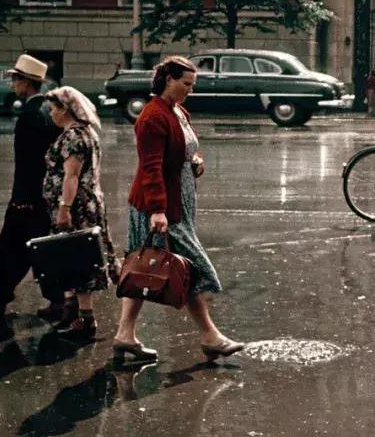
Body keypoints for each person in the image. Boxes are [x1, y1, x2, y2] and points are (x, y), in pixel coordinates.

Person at [113, 56, 243, 362]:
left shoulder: (176, 111)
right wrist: (158, 210)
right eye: (186, 84)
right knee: (190, 267)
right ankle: (210, 336)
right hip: (161, 207)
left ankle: (124, 334)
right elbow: (151, 167)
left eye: (192, 85)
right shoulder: (152, 117)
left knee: (142, 267)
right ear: (168, 79)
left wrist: (193, 162)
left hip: (177, 203)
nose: (190, 91)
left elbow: (181, 150)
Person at [0, 55, 65, 319]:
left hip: (28, 197)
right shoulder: (46, 110)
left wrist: (23, 198)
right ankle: (51, 301)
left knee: (14, 246)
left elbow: (29, 163)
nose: (12, 84)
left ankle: (0, 299)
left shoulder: (30, 115)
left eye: (15, 79)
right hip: (42, 196)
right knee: (32, 248)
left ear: (26, 83)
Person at [43, 86, 117, 340]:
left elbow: (71, 176)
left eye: (54, 108)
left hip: (76, 207)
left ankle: (85, 318)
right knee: (74, 257)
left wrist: (64, 208)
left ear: (66, 109)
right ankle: (73, 311)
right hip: (85, 203)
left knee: (79, 259)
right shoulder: (85, 133)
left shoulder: (74, 136)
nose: (51, 113)